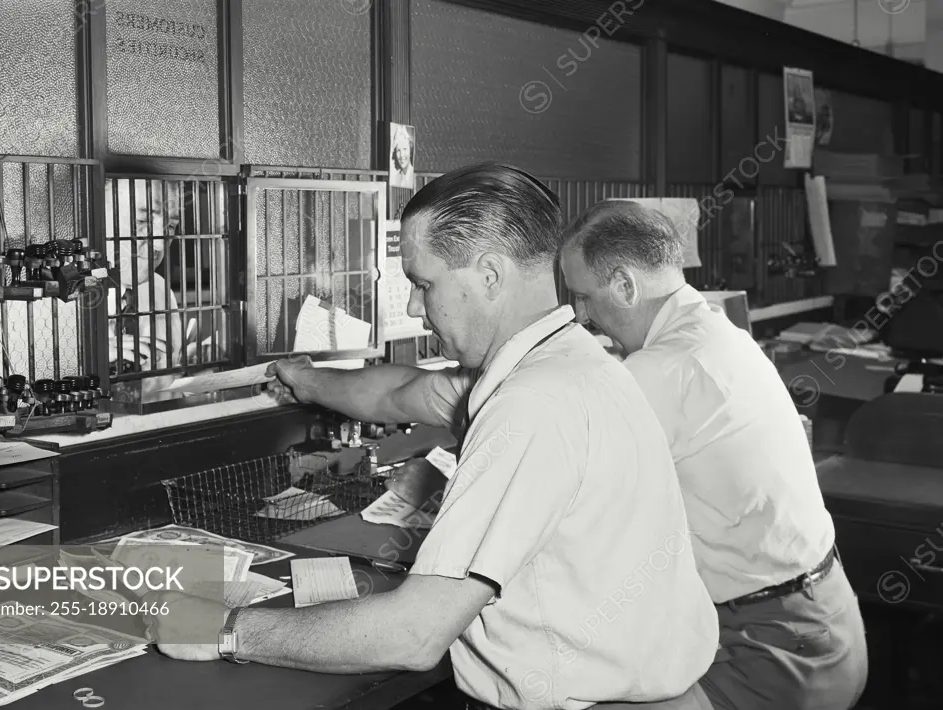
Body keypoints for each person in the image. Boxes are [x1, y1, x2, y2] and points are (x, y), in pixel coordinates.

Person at [146, 163, 719, 710]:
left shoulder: (533, 403)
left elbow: (414, 634)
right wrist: (306, 379)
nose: (417, 308)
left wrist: (223, 628)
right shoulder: (572, 365)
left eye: (423, 284)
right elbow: (401, 393)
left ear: (490, 275)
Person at [559, 200, 868, 710]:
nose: (583, 316)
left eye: (583, 298)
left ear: (624, 285)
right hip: (821, 616)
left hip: (780, 650)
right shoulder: (714, 330)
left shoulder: (666, 370)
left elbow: (560, 481)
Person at [104, 178, 184, 400]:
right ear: (95, 217)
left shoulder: (160, 290)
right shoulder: (49, 301)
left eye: (169, 226)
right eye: (142, 221)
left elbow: (167, 391)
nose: (159, 244)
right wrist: (85, 364)